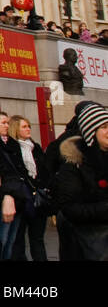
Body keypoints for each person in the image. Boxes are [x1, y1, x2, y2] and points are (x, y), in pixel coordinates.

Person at [53, 101, 108, 260]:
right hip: (87, 243)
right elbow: (70, 208)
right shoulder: (74, 164)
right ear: (91, 131)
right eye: (104, 127)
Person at [0, 110, 29, 261]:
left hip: (18, 195)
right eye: (3, 123)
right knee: (1, 239)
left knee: (12, 239)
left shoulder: (13, 143)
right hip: (0, 196)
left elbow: (20, 170)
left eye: (8, 123)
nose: (6, 126)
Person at [11, 115, 49, 261]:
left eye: (29, 126)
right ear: (16, 129)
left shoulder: (35, 147)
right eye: (24, 126)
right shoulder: (13, 148)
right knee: (19, 238)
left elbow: (45, 170)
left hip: (38, 198)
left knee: (37, 238)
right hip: (22, 199)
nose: (28, 129)